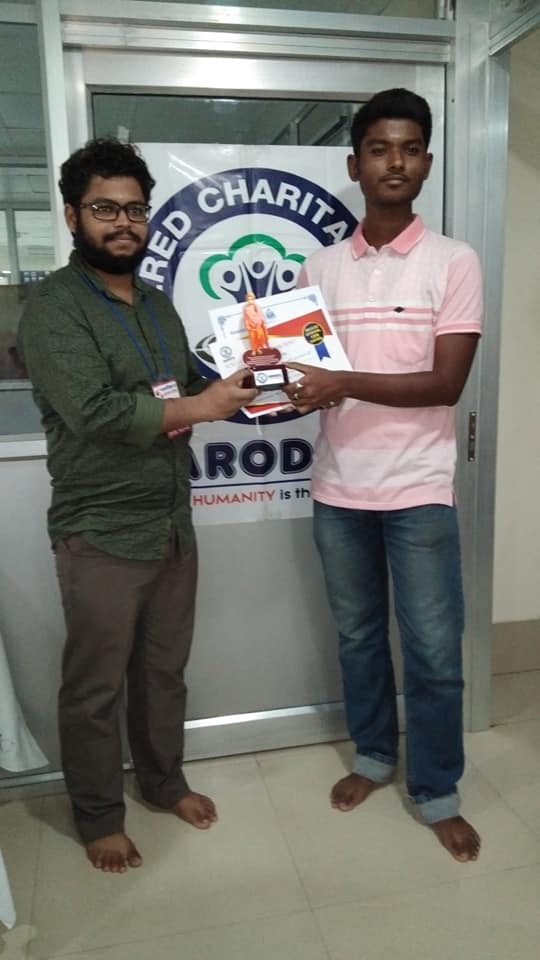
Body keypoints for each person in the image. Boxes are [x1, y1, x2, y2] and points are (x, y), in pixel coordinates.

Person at [18, 138, 257, 873]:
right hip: (101, 530)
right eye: (105, 209)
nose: (124, 223)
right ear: (72, 216)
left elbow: (185, 385)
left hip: (170, 522)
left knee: (162, 671)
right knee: (95, 686)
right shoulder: (53, 308)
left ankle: (162, 782)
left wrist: (257, 377)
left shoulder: (156, 304)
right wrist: (201, 405)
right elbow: (95, 412)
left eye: (135, 209)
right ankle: (98, 815)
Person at [285, 89, 483, 863]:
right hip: (338, 488)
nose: (394, 162)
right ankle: (373, 754)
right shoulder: (319, 267)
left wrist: (342, 382)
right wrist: (277, 384)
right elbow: (305, 376)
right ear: (354, 163)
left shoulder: (453, 261)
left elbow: (445, 384)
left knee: (433, 652)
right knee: (360, 637)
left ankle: (436, 790)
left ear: (426, 163)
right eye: (378, 148)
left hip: (418, 491)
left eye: (408, 148)